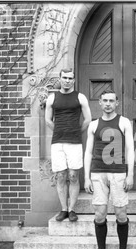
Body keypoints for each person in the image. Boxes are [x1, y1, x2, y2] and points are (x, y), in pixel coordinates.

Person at [84, 90, 135, 249]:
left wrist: (130, 174)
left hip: (118, 173)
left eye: (111, 100)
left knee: (121, 214)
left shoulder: (123, 122)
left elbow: (130, 149)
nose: (107, 103)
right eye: (104, 100)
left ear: (117, 103)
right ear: (99, 102)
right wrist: (87, 177)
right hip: (98, 172)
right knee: (100, 214)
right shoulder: (93, 125)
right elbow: (88, 152)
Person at [45, 68, 92, 223]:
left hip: (74, 142)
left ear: (73, 80)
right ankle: (64, 209)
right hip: (58, 142)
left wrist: (77, 132)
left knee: (73, 175)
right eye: (64, 77)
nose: (67, 80)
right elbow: (48, 120)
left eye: (70, 78)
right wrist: (59, 130)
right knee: (60, 176)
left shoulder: (80, 97)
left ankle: (72, 209)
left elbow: (87, 119)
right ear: (60, 78)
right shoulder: (52, 98)